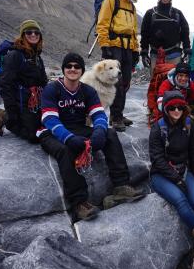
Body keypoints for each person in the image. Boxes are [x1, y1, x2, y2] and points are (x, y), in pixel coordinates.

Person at [39, 53, 143, 221]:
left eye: (77, 66)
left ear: (81, 70)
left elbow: (98, 114)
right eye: (69, 66)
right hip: (50, 132)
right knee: (65, 150)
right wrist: (68, 137)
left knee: (110, 133)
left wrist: (100, 131)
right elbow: (49, 119)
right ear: (63, 69)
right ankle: (79, 203)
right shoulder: (53, 88)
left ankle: (121, 185)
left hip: (78, 127)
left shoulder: (87, 90)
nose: (73, 69)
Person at [149, 90, 194, 257]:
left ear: (184, 108)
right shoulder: (158, 129)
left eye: (180, 107)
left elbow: (193, 151)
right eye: (172, 107)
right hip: (161, 174)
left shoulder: (189, 125)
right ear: (166, 109)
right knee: (181, 200)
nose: (176, 111)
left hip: (184, 169)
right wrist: (176, 179)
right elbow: (157, 159)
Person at [0, 20, 48, 143]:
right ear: (23, 35)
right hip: (20, 103)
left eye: (36, 32)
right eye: (29, 32)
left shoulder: (37, 57)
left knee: (45, 128)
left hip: (35, 103)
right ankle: (1, 115)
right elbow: (6, 84)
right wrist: (12, 111)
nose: (33, 35)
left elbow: (43, 82)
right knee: (32, 136)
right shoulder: (15, 55)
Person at [96, 0, 140, 132]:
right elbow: (102, 25)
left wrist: (136, 50)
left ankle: (119, 114)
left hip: (128, 48)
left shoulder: (132, 7)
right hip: (114, 47)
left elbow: (134, 31)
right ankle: (115, 118)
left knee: (126, 82)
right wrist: (105, 46)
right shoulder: (111, 1)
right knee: (117, 83)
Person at [140, 0, 190, 74]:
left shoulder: (178, 14)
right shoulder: (150, 13)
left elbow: (185, 33)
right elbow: (145, 34)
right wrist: (144, 52)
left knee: (174, 84)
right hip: (155, 54)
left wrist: (187, 50)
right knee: (155, 84)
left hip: (174, 54)